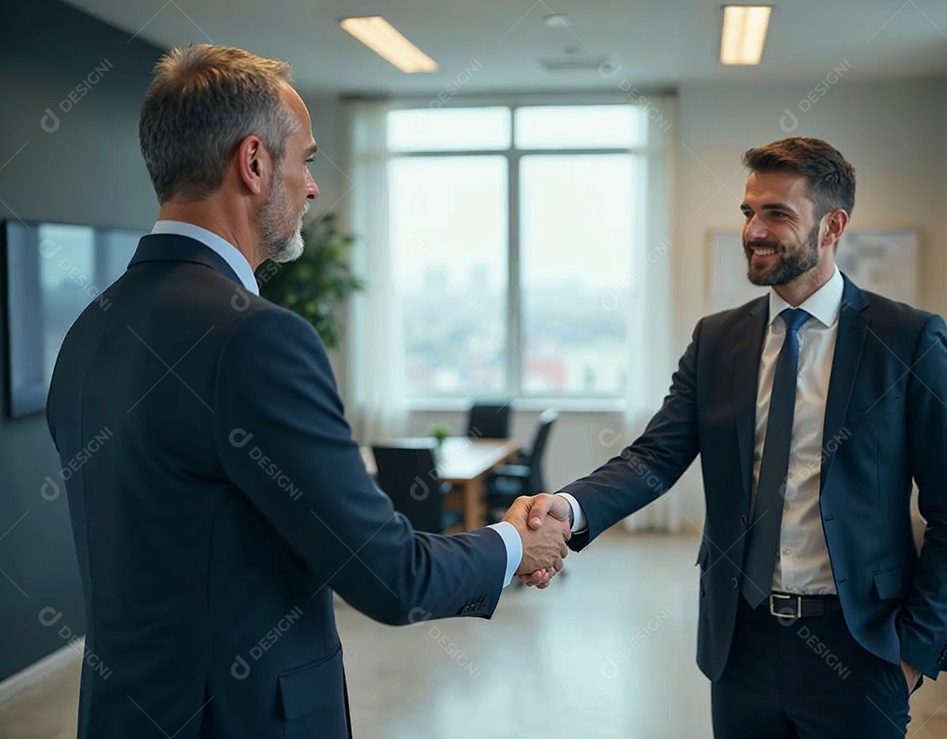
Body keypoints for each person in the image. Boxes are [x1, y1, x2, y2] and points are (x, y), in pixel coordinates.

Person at [45, 44, 568, 739]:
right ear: (254, 163)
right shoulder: (255, 336)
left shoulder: (88, 330)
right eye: (307, 159)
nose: (313, 187)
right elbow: (389, 574)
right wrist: (513, 544)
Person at [518, 137, 947, 738]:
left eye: (777, 214)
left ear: (832, 226)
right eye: (748, 212)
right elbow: (654, 457)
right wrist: (568, 506)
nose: (754, 231)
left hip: (861, 645)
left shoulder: (907, 338)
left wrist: (913, 653)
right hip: (741, 642)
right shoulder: (718, 340)